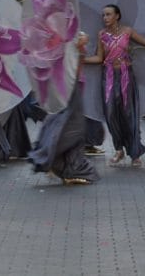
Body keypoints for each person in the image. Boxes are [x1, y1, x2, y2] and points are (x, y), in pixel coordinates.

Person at [82, 4, 145, 167]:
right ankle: (118, 150)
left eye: (108, 14)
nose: (105, 18)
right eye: (103, 15)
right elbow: (99, 58)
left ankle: (135, 153)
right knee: (111, 114)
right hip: (108, 77)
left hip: (126, 76)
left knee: (129, 114)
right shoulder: (101, 34)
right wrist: (80, 59)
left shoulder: (127, 31)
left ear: (117, 16)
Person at [28, 32, 99, 184]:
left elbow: (81, 60)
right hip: (66, 87)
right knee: (71, 127)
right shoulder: (56, 38)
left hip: (75, 85)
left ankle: (61, 165)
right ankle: (51, 158)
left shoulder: (75, 35)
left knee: (69, 126)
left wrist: (79, 47)